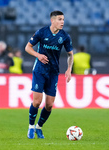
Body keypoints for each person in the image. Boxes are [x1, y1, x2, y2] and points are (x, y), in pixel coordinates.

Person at [25, 10, 73, 139]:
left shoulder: (65, 36)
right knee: (37, 101)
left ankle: (38, 127)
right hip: (40, 70)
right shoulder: (42, 32)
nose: (62, 22)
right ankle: (30, 127)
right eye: (59, 19)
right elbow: (28, 47)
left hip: (53, 72)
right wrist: (38, 55)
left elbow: (70, 54)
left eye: (63, 19)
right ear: (52, 20)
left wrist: (69, 69)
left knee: (49, 104)